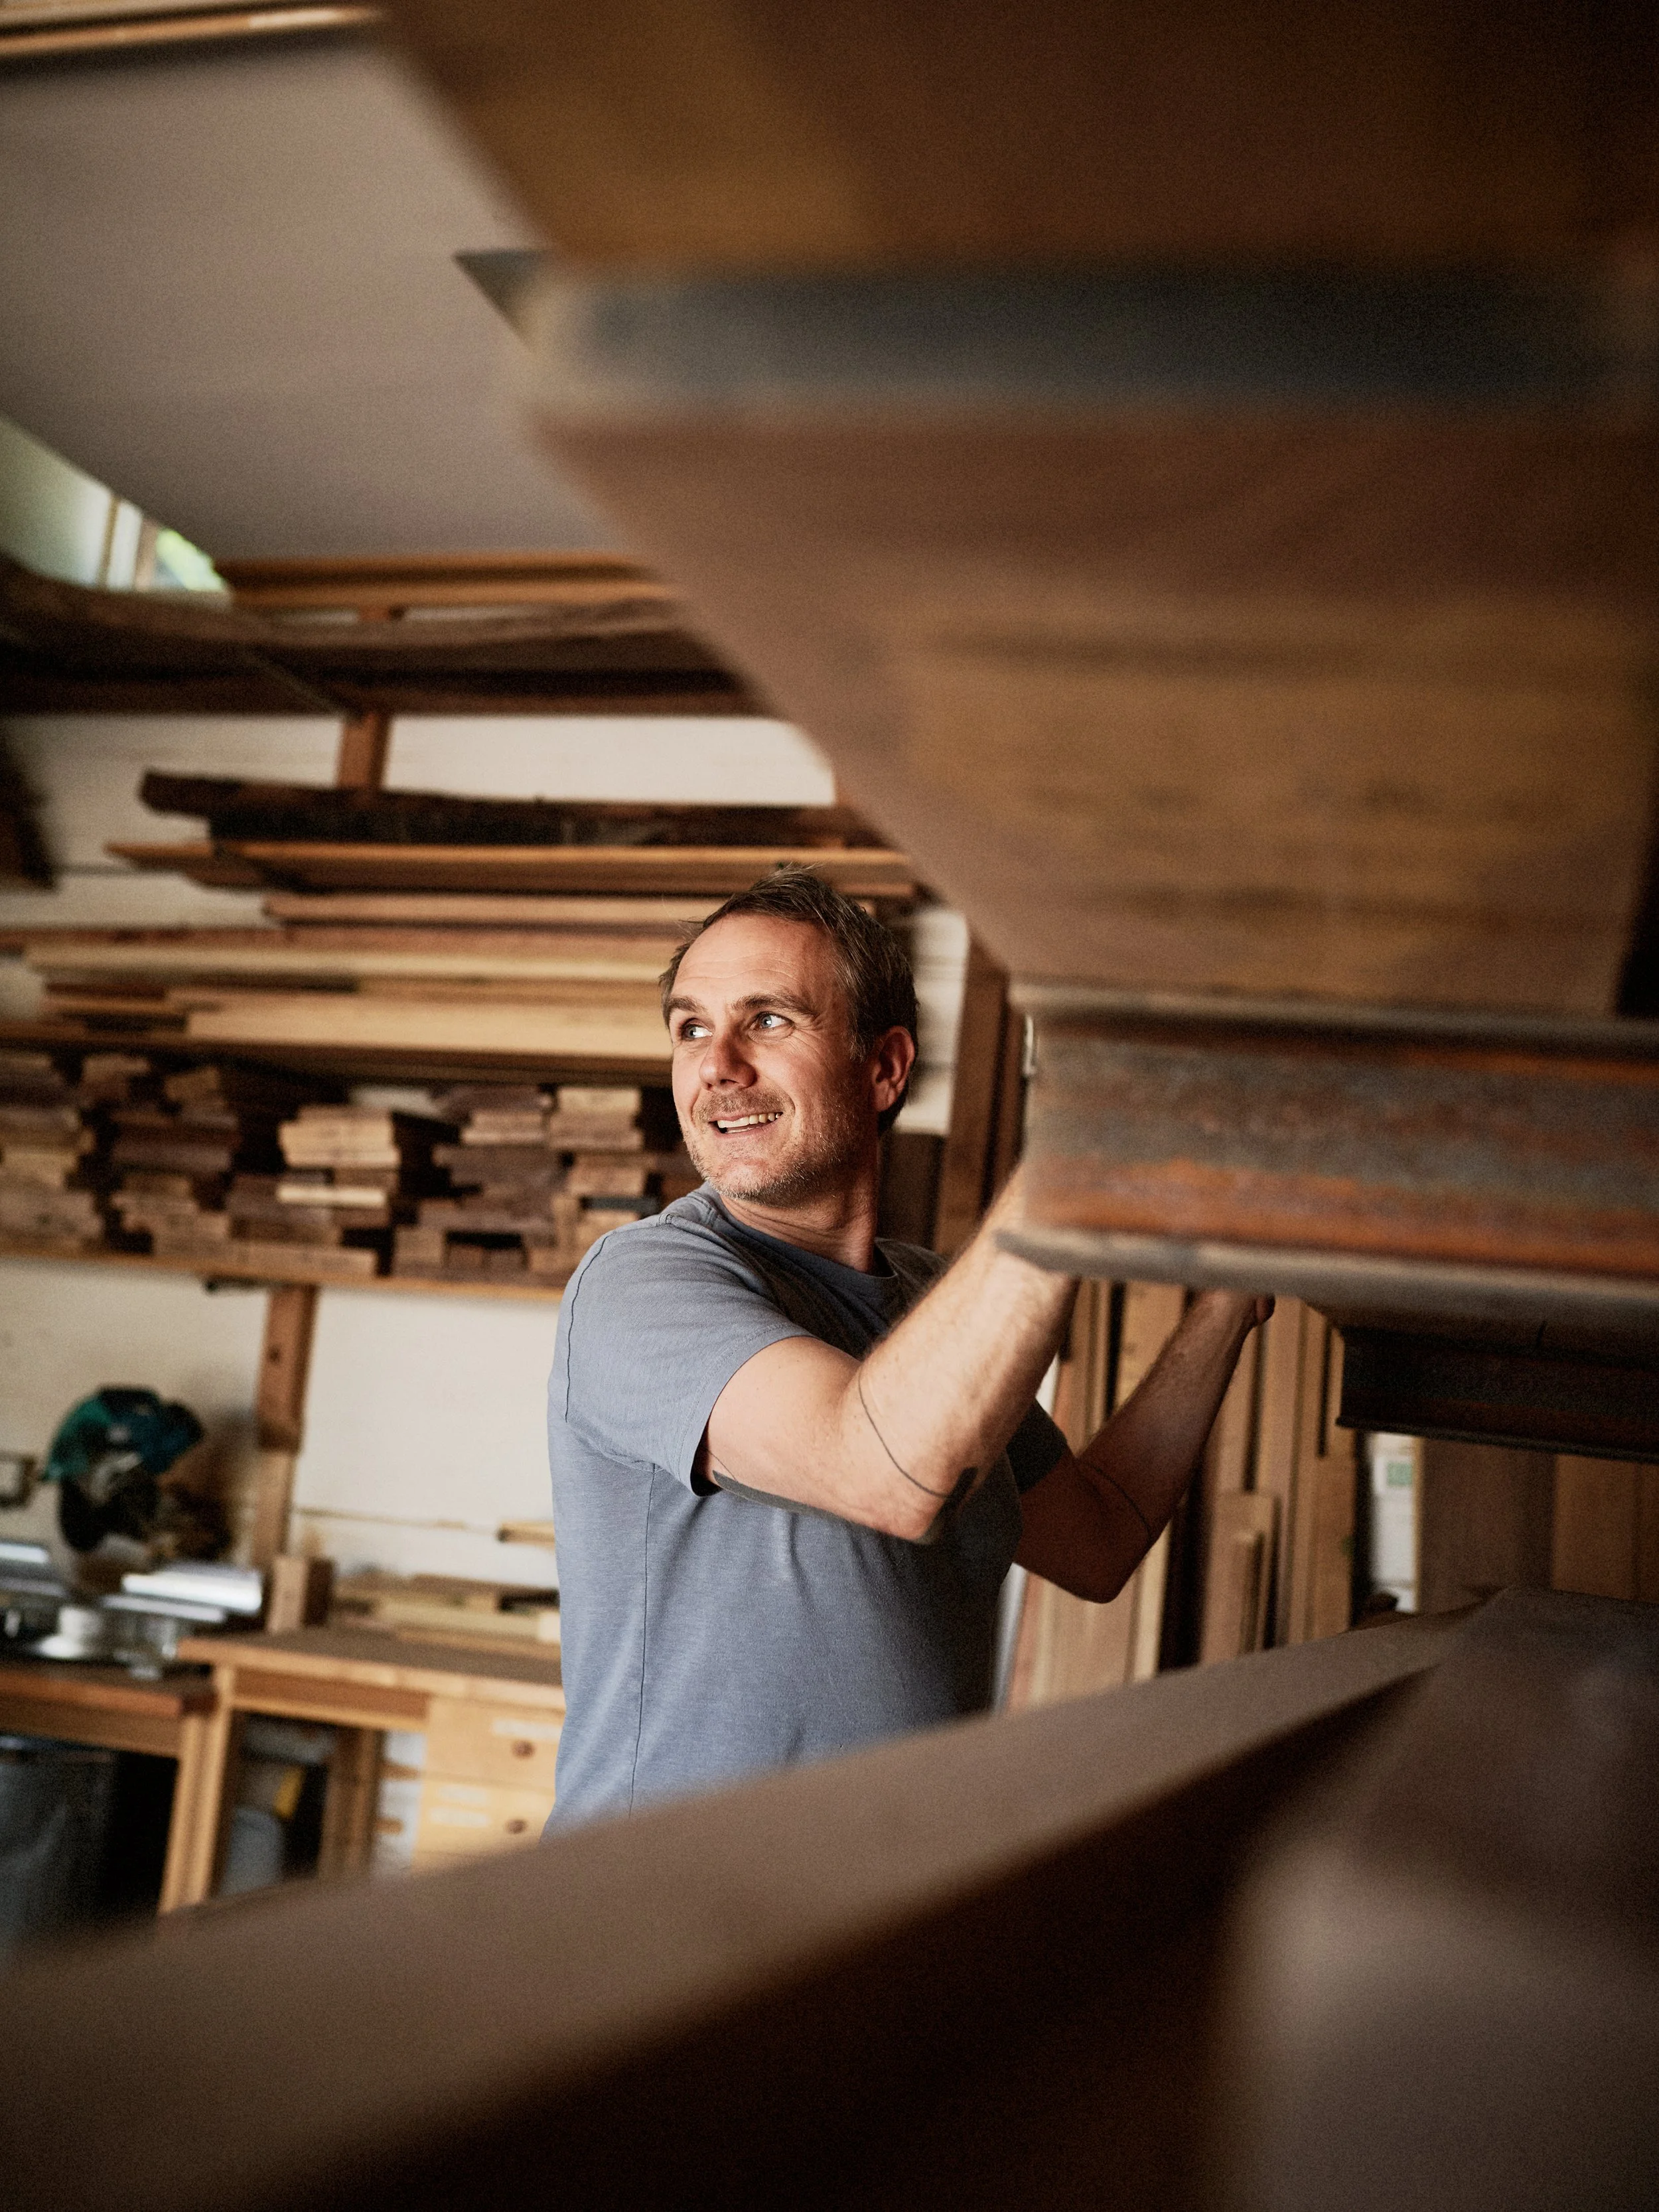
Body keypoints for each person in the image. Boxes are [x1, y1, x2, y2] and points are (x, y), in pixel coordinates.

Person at [547, 867, 1268, 1824]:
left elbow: (1100, 1536)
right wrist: (1089, 1135)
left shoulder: (927, 1304)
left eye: (767, 1020)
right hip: (672, 1929)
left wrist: (1231, 1300)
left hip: (880, 1905)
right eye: (690, 1027)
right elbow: (889, 1469)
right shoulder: (639, 1285)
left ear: (883, 1069)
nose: (716, 1063)